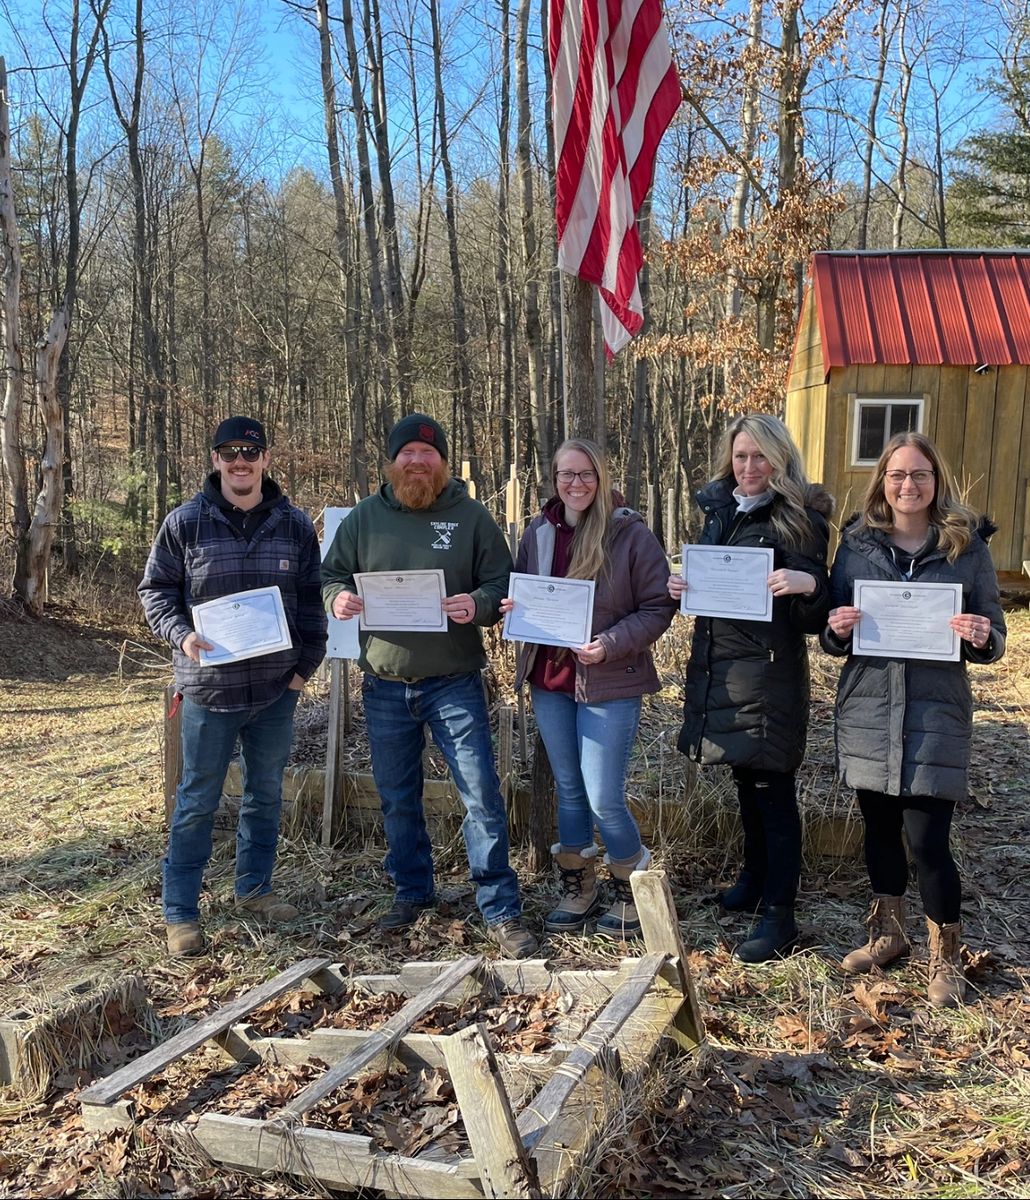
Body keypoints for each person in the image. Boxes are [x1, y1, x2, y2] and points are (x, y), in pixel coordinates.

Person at [321, 413, 538, 959]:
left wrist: (479, 604)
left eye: (427, 453)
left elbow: (502, 583)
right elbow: (328, 577)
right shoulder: (365, 520)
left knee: (481, 796)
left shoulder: (470, 518)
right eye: (406, 454)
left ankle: (500, 908)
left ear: (442, 461)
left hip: (454, 684)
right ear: (391, 462)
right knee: (397, 799)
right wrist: (336, 600)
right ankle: (413, 894)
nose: (416, 462)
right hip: (385, 685)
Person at [822, 432, 1005, 1007]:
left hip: (935, 711)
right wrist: (838, 627)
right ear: (883, 482)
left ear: (936, 481)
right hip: (869, 708)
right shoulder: (856, 545)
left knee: (929, 842)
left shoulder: (965, 548)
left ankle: (946, 955)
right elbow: (831, 631)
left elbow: (994, 630)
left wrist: (982, 637)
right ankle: (888, 934)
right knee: (878, 832)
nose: (908, 485)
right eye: (897, 475)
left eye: (919, 474)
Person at [139, 417, 328, 957]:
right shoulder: (185, 523)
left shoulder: (294, 526)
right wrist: (182, 636)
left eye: (250, 452)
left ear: (266, 459)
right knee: (197, 801)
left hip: (274, 692)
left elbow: (313, 602)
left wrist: (303, 669)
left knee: (264, 796)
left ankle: (254, 890)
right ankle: (180, 911)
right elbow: (155, 592)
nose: (240, 461)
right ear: (216, 460)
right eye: (230, 452)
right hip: (208, 692)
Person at [668, 413, 832, 963]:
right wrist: (684, 584)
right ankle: (754, 879)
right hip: (725, 669)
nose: (749, 466)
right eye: (740, 456)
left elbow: (817, 612)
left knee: (773, 793)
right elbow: (715, 585)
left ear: (780, 459)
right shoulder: (720, 512)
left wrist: (808, 585)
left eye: (760, 456)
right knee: (746, 782)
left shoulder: (799, 519)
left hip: (770, 675)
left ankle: (780, 915)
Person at [502, 439, 676, 939]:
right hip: (550, 678)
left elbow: (659, 606)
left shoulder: (629, 533)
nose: (575, 484)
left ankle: (634, 884)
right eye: (565, 474)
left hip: (609, 677)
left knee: (603, 796)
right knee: (570, 791)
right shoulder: (537, 531)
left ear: (600, 477)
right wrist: (515, 610)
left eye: (585, 474)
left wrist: (610, 643)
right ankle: (578, 885)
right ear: (553, 478)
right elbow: (522, 590)